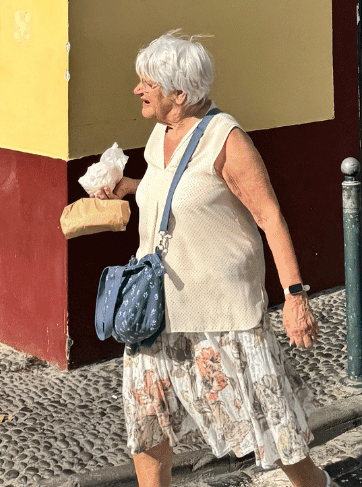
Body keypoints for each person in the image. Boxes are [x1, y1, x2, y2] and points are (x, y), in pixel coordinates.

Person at [94, 32, 335, 487]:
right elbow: (175, 193)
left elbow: (269, 217)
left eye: (148, 83)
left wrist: (295, 297)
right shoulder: (161, 133)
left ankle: (314, 484)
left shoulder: (226, 139)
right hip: (155, 312)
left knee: (270, 428)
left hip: (220, 318)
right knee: (147, 427)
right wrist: (129, 189)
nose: (137, 90)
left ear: (179, 94)